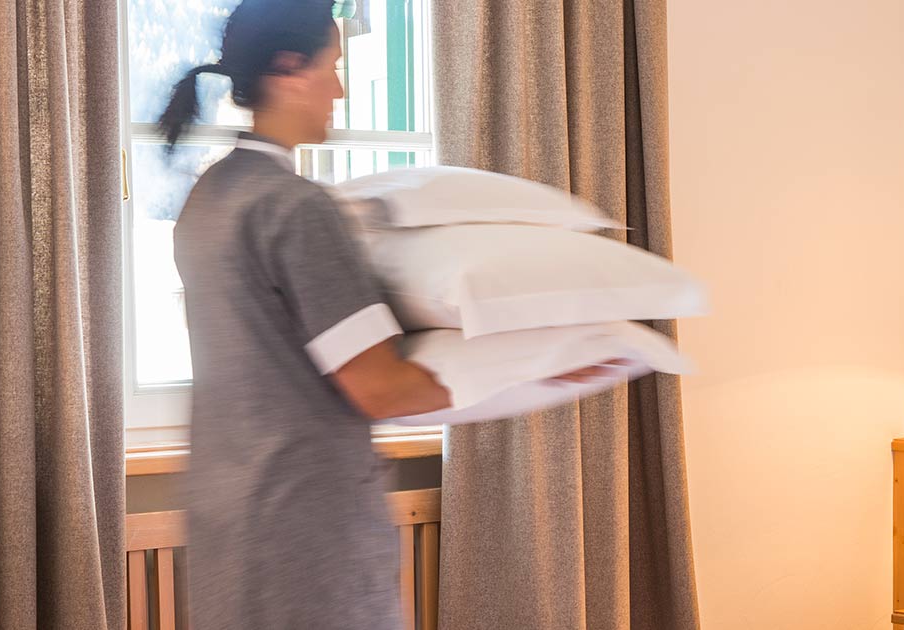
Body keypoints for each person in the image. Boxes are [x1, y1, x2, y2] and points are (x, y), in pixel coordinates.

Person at [160, 1, 614, 626]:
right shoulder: (297, 210)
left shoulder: (208, 203)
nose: (339, 90)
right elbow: (380, 386)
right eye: (333, 65)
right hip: (309, 542)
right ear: (292, 68)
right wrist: (537, 365)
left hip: (229, 526)